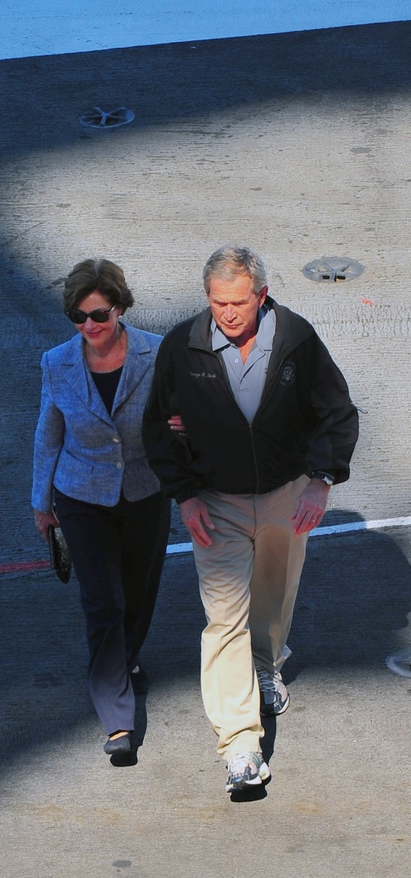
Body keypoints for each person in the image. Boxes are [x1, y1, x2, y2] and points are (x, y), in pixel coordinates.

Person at [143, 246, 358, 793]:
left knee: (275, 593)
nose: (229, 314)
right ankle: (239, 744)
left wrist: (321, 480)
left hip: (288, 495)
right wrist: (185, 497)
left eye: (239, 302)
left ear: (261, 296)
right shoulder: (181, 347)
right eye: (219, 303)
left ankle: (266, 664)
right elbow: (157, 430)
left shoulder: (297, 340)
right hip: (216, 502)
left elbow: (336, 411)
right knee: (223, 619)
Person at [32, 258, 169, 758]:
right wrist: (41, 501)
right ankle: (117, 718)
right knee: (103, 601)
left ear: (120, 308)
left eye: (100, 315)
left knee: (138, 593)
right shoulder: (57, 362)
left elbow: (177, 414)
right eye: (79, 316)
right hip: (81, 496)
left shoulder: (156, 353)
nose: (90, 326)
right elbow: (48, 433)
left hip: (145, 491)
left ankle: (126, 658)